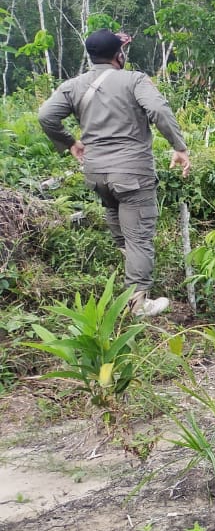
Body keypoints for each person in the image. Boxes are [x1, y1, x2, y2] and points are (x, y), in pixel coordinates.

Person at [38, 29, 191, 317]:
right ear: (119, 55)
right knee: (139, 238)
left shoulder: (73, 85)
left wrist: (70, 142)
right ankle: (138, 304)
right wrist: (179, 146)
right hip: (132, 173)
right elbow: (158, 109)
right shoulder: (134, 80)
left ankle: (132, 276)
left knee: (120, 228)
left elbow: (46, 115)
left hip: (96, 173)